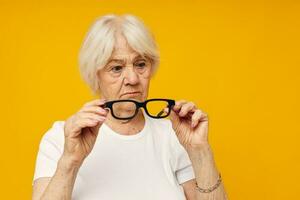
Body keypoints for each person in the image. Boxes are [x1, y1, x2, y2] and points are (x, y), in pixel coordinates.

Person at [32, 14, 228, 200]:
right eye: (116, 68)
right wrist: (70, 161)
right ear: (95, 74)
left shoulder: (174, 134)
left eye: (141, 64)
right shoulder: (60, 138)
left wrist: (200, 150)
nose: (133, 79)